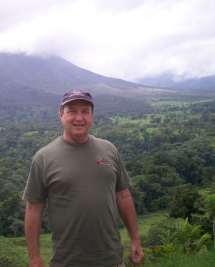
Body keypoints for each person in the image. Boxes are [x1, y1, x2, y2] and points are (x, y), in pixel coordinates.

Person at [23, 89, 145, 267]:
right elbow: (33, 209)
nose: (79, 117)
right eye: (72, 111)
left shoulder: (109, 149)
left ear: (92, 116)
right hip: (67, 261)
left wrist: (135, 239)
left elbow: (123, 196)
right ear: (61, 115)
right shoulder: (44, 158)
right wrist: (34, 258)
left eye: (85, 111)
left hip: (111, 259)